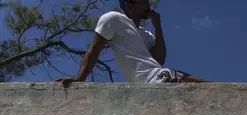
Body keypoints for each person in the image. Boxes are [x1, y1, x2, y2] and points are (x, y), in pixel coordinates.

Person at [56, 0, 208, 86]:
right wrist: (79, 78)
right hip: (152, 80)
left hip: (161, 75)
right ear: (130, 5)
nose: (149, 5)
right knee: (206, 87)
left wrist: (158, 27)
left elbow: (159, 60)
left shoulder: (146, 34)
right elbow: (94, 49)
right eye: (144, 2)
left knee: (206, 86)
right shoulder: (113, 18)